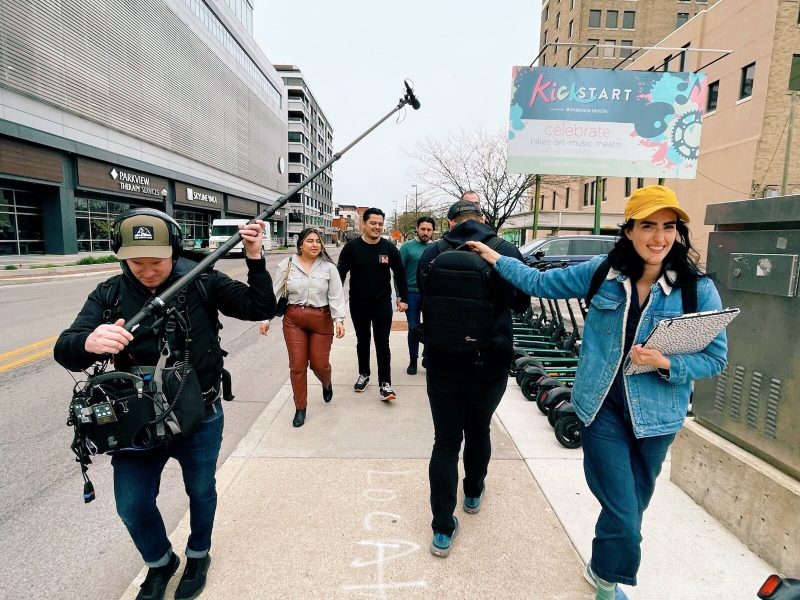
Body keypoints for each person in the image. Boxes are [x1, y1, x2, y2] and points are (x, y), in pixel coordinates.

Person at [468, 185, 728, 600]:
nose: (659, 237)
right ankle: (607, 585)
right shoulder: (602, 273)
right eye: (648, 226)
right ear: (629, 230)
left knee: (632, 506)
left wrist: (666, 362)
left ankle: (599, 566)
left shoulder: (697, 290)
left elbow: (715, 360)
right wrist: (496, 257)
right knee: (624, 515)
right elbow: (538, 281)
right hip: (600, 408)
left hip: (658, 418)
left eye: (668, 227)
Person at [54, 208, 275, 600]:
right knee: (132, 504)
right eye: (136, 262)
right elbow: (65, 349)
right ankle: (160, 562)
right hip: (136, 422)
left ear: (174, 250)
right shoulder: (109, 293)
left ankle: (198, 554)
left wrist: (255, 258)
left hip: (201, 415)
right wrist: (88, 342)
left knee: (201, 490)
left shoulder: (202, 280)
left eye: (157, 261)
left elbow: (259, 307)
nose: (147, 271)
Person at [418, 200, 529, 558]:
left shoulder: (433, 251)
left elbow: (423, 296)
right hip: (490, 360)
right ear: (483, 219)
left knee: (445, 441)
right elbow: (522, 303)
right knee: (479, 430)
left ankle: (441, 528)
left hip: (442, 359)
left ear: (450, 223)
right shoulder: (504, 250)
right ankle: (473, 493)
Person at [259, 227, 346, 428]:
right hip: (294, 320)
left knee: (319, 364)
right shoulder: (287, 265)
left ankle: (326, 383)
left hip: (321, 319)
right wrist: (265, 319)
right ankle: (300, 407)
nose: (315, 244)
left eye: (318, 241)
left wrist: (339, 320)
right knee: (297, 366)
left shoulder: (328, 268)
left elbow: (336, 295)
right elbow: (275, 293)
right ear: (300, 245)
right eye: (310, 241)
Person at [337, 207, 408, 401]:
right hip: (358, 303)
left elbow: (400, 273)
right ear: (364, 224)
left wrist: (403, 297)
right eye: (373, 223)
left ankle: (385, 384)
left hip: (382, 304)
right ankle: (364, 374)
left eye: (380, 224)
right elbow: (339, 275)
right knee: (363, 340)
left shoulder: (389, 248)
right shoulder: (352, 248)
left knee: (382, 342)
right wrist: (335, 300)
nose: (377, 227)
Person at [398, 216, 435, 375]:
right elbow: (399, 273)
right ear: (417, 229)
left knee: (431, 328)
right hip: (411, 293)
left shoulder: (436, 248)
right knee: (413, 328)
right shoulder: (407, 248)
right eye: (423, 229)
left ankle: (427, 357)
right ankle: (413, 360)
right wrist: (400, 295)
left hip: (430, 294)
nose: (425, 232)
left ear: (433, 231)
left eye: (429, 230)